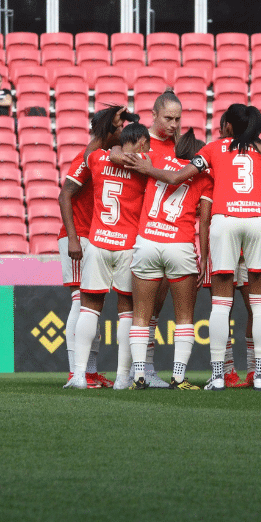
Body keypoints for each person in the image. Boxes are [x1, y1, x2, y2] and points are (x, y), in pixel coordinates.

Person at [122, 104, 261, 390]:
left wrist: (149, 168)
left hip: (225, 220)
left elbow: (175, 177)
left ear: (229, 127)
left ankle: (219, 375)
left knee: (221, 304)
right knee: (260, 304)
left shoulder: (212, 148)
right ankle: (259, 376)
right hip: (260, 219)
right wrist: (260, 148)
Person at [61, 123, 151, 390]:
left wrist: (113, 150)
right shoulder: (144, 163)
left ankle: (78, 375)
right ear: (142, 141)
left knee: (89, 309)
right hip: (127, 245)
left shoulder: (96, 159)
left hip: (98, 242)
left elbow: (97, 153)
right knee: (127, 313)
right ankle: (123, 377)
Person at [125, 128, 212, 390]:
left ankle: (138, 376)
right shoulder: (204, 177)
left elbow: (121, 154)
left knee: (141, 315)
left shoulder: (157, 161)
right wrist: (205, 258)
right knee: (184, 316)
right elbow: (205, 221)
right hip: (180, 245)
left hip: (147, 241)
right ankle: (178, 377)